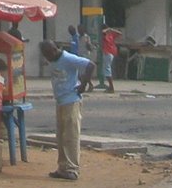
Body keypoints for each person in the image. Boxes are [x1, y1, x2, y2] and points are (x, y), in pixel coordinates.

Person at [40, 39, 93, 179]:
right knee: (61, 137)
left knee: (71, 136)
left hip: (71, 101)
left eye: (47, 55)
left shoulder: (68, 58)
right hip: (60, 101)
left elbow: (90, 65)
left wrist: (83, 85)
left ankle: (72, 168)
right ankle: (63, 167)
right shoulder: (53, 60)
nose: (47, 58)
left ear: (53, 50)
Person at [100, 25, 121, 92]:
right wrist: (110, 29)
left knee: (107, 70)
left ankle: (111, 87)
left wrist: (110, 29)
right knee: (107, 70)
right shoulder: (110, 35)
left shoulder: (106, 35)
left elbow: (119, 33)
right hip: (111, 52)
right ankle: (110, 87)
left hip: (108, 53)